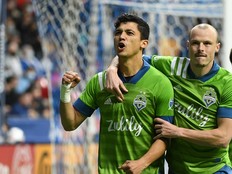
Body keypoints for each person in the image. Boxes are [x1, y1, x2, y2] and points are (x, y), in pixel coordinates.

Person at [106, 23, 232, 173]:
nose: (201, 49)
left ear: (217, 47)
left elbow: (223, 138)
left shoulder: (227, 83)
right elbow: (131, 55)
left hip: (213, 169)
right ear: (187, 45)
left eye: (207, 43)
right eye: (195, 43)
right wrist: (112, 69)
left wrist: (177, 131)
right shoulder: (172, 67)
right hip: (177, 168)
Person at [60, 13, 174, 174]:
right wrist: (65, 90)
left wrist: (141, 163)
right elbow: (70, 123)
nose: (122, 36)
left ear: (144, 43)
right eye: (118, 32)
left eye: (129, 33)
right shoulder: (99, 82)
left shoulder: (160, 83)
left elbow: (165, 138)